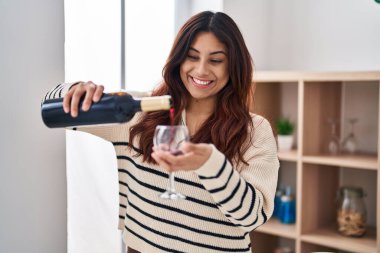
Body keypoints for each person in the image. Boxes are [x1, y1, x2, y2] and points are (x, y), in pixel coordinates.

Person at [43, 11, 279, 253]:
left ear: (233, 65)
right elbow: (51, 109)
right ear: (178, 60)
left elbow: (253, 217)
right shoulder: (137, 112)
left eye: (216, 60)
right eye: (192, 56)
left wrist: (212, 165)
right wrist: (77, 90)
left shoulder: (254, 131)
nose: (201, 70)